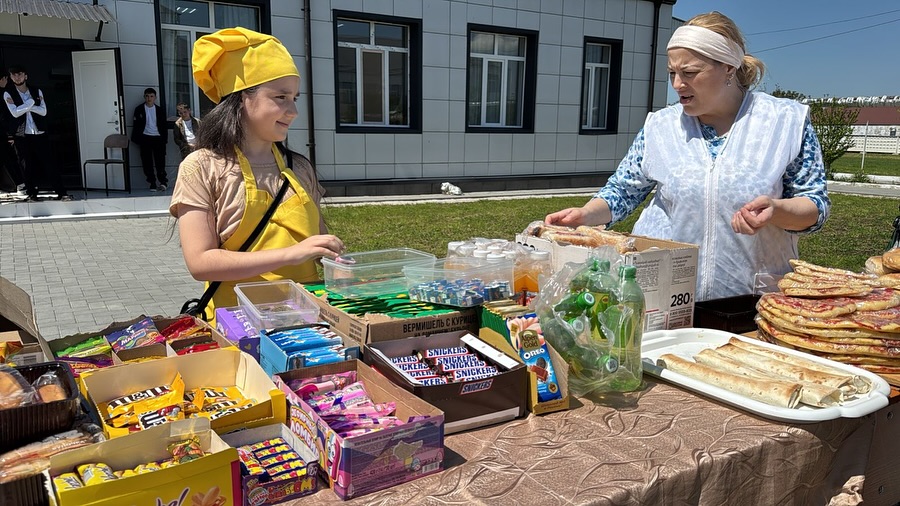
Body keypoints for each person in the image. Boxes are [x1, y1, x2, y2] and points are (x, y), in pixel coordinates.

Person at [545, 12, 830, 301]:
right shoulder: (661, 126)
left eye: (690, 73)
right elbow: (623, 191)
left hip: (749, 299)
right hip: (664, 297)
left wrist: (776, 211)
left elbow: (815, 206)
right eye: (672, 73)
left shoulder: (785, 122)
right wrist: (585, 214)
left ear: (728, 68)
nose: (678, 84)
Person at [169, 27, 344, 321]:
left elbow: (320, 244)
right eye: (280, 97)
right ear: (241, 100)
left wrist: (340, 264)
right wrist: (292, 253)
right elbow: (200, 262)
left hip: (308, 324)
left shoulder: (300, 167)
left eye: (295, 98)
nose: (293, 111)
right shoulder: (201, 167)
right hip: (237, 325)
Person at [4, 65, 72, 201]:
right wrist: (31, 103)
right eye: (14, 75)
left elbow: (43, 111)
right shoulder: (8, 93)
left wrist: (25, 106)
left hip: (39, 132)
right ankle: (32, 193)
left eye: (19, 74)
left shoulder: (36, 90)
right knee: (26, 165)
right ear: (11, 77)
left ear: (25, 76)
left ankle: (62, 192)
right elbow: (15, 113)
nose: (17, 77)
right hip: (21, 134)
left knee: (49, 162)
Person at [132, 87, 168, 191]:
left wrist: (164, 140)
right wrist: (137, 139)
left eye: (151, 96)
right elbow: (136, 125)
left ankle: (163, 182)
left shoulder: (160, 110)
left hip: (158, 138)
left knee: (160, 161)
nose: (149, 98)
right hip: (145, 138)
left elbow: (164, 126)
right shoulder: (139, 109)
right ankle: (152, 182)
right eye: (147, 96)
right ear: (144, 97)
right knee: (147, 162)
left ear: (155, 97)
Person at [0, 71, 24, 194]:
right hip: (3, 133)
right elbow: (6, 115)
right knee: (10, 159)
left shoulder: (7, 92)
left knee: (10, 159)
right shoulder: (4, 93)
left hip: (4, 133)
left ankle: (18, 184)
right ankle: (19, 184)